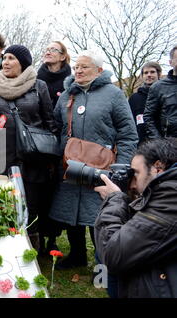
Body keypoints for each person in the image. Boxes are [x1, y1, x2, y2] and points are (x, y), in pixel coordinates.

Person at [49, 50, 138, 269]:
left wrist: (121, 167)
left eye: (84, 67)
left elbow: (128, 134)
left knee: (101, 214)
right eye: (76, 67)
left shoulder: (114, 94)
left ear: (98, 70)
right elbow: (56, 126)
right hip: (71, 163)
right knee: (71, 211)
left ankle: (104, 262)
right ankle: (77, 255)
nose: (78, 71)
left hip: (103, 167)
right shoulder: (67, 95)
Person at [0, 45, 59, 251]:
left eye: (11, 58)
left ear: (23, 63)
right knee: (5, 204)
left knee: (32, 206)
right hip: (3, 157)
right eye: (4, 58)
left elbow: (50, 121)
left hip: (33, 158)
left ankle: (33, 251)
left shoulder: (38, 86)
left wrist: (54, 158)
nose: (5, 62)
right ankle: (10, 250)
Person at [94, 137, 177, 298]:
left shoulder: (172, 196)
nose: (132, 184)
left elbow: (113, 254)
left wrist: (115, 199)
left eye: (136, 173)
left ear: (157, 168)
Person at [36, 41, 72, 253]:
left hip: (63, 141)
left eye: (53, 50)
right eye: (46, 49)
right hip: (40, 140)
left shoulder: (70, 81)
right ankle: (39, 234)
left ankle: (54, 236)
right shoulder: (36, 77)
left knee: (57, 191)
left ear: (63, 56)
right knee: (42, 191)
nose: (48, 51)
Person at [143, 46, 177, 139]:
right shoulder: (158, 87)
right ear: (170, 62)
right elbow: (148, 117)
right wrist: (159, 142)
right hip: (170, 145)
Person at [128, 62, 162, 144]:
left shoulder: (166, 94)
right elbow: (129, 123)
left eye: (152, 72)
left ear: (159, 74)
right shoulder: (134, 98)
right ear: (142, 76)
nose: (149, 75)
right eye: (146, 73)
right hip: (141, 146)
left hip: (166, 145)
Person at [37, 41, 72, 108]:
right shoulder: (35, 81)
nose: (47, 53)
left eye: (53, 50)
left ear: (62, 57)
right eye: (47, 50)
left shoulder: (71, 84)